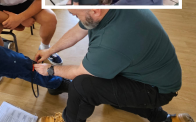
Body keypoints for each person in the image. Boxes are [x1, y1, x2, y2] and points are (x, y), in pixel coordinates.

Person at [34, 9, 194, 122]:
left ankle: (69, 120)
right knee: (105, 90)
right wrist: (50, 50)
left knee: (81, 86)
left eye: (76, 15)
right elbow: (78, 30)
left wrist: (50, 70)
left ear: (95, 11)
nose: (77, 18)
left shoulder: (110, 41)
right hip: (155, 74)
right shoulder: (110, 5)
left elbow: (78, 72)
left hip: (156, 89)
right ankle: (163, 119)